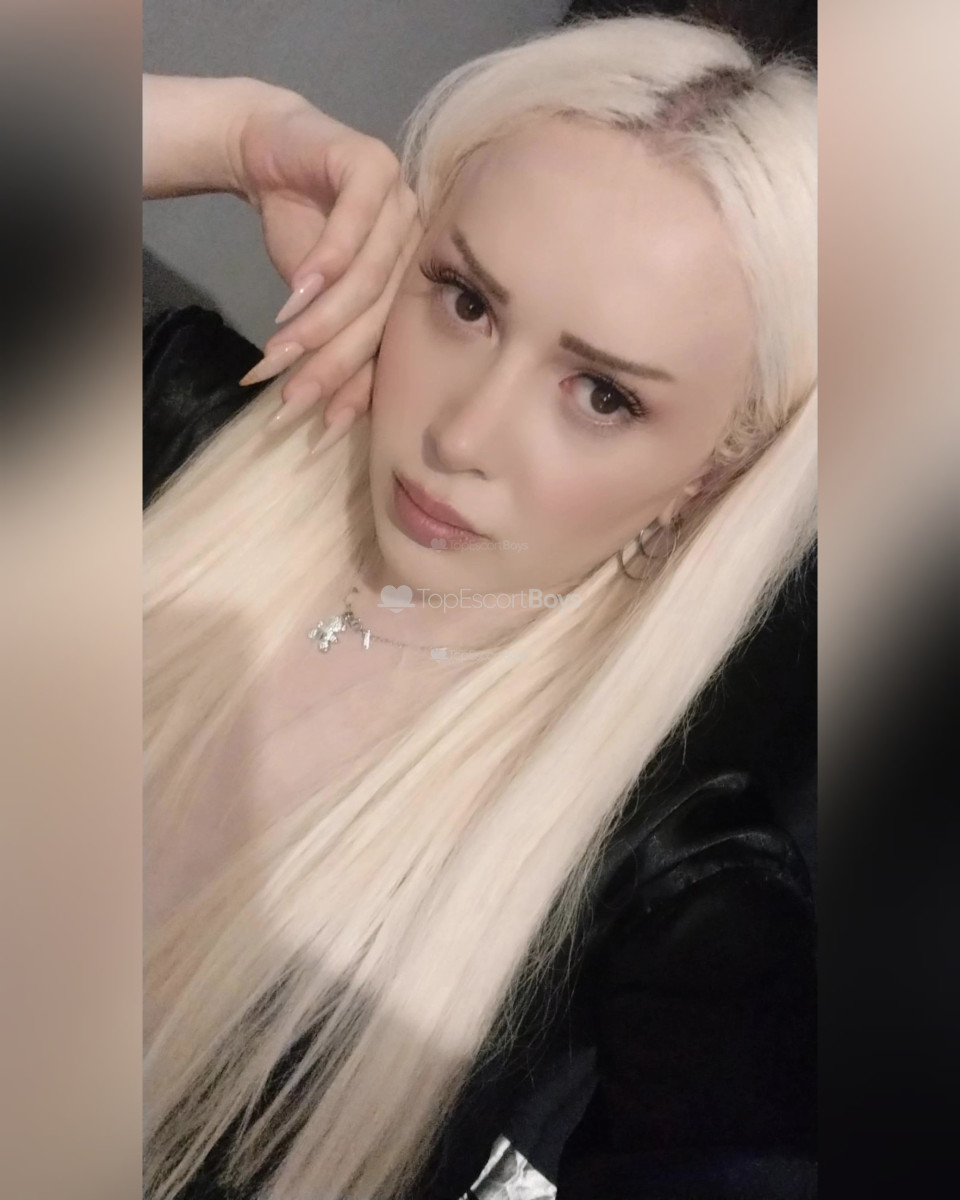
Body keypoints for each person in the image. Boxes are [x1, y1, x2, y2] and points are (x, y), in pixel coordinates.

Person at [144, 13, 816, 1200]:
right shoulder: (174, 436)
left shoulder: (663, 889)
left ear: (716, 469)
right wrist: (231, 132)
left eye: (602, 394)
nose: (463, 434)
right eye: (465, 301)